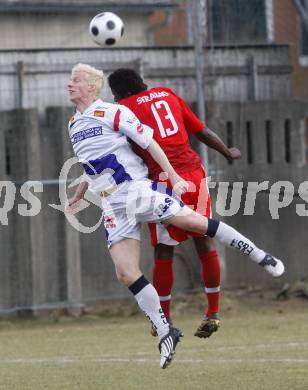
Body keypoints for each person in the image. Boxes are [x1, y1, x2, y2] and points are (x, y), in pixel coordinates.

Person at [66, 63, 285, 369]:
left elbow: (149, 142)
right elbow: (92, 163)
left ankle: (261, 255)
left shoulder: (115, 111)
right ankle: (167, 330)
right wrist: (79, 193)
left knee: (193, 226)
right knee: (125, 272)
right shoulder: (73, 124)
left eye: (75, 80)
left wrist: (173, 176)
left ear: (92, 86)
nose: (69, 84)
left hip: (137, 190)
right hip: (112, 205)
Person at [107, 68, 241, 339]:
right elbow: (201, 131)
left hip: (163, 181)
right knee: (204, 239)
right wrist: (227, 151)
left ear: (118, 93)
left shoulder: (123, 109)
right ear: (141, 83)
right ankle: (213, 312)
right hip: (194, 173)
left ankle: (163, 319)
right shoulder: (167, 94)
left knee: (164, 251)